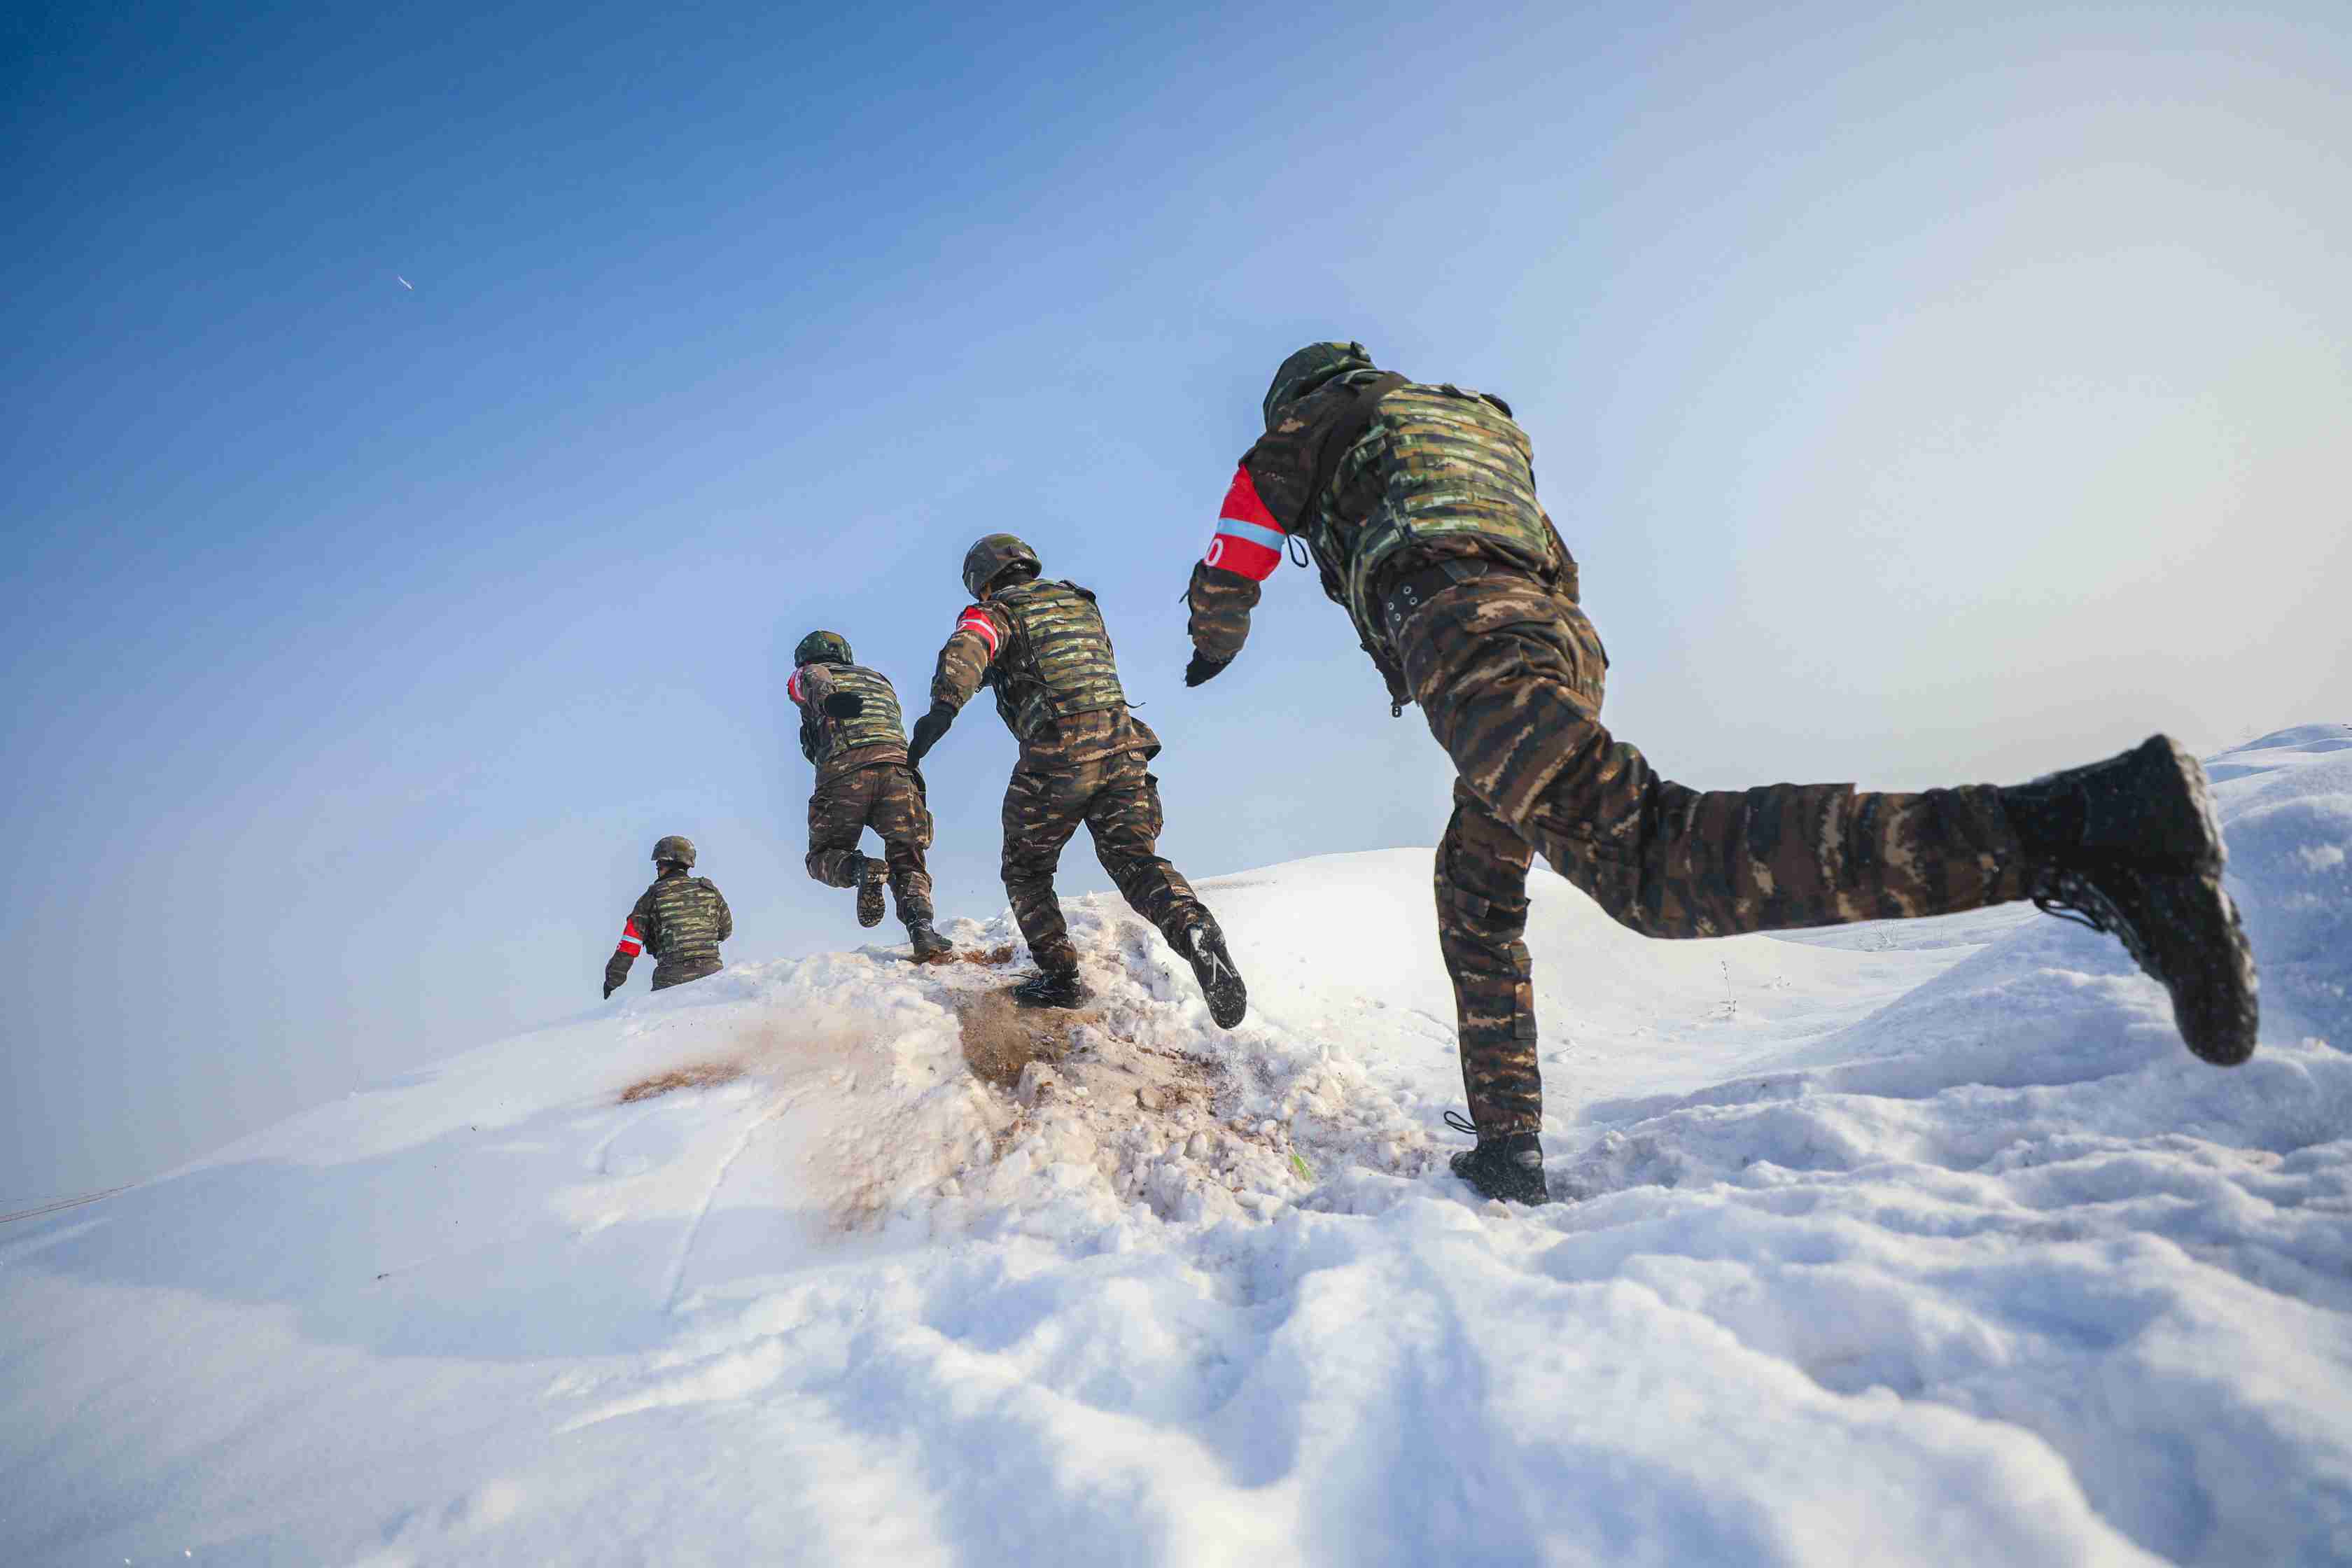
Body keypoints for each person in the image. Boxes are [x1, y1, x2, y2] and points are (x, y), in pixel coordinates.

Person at [1181, 340, 2258, 1205]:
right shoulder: (1464, 421)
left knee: (1654, 865)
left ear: (1300, 396)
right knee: (1474, 884)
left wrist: (1212, 640)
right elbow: (1551, 556)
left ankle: (2089, 829)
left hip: (1461, 625)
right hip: (1555, 638)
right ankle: (1508, 1148)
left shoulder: (1314, 424)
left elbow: (1239, 537)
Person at [907, 533, 1247, 1025]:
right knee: (1134, 861)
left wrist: (942, 708)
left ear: (983, 583)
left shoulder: (995, 611)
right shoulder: (1079, 604)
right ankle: (1192, 925)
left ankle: (1061, 976)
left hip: (1059, 755)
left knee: (1026, 869)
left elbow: (973, 646)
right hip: (1124, 748)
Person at [788, 629, 951, 959]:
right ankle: (923, 931)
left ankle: (861, 870)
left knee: (822, 856)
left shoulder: (807, 673)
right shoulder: (879, 680)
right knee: (909, 860)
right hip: (899, 772)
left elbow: (814, 683)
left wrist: (830, 702)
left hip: (845, 773)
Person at [603, 834, 733, 997]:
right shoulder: (709, 890)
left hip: (671, 978)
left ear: (662, 865)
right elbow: (726, 930)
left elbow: (630, 943)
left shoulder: (652, 896)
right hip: (713, 975)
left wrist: (612, 980)